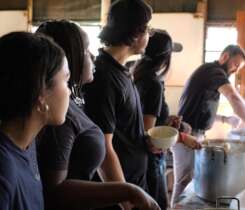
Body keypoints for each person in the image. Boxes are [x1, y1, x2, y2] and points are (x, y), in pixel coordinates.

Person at [36, 20, 160, 210]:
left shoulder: (76, 98)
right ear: (69, 57)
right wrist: (128, 193)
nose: (93, 56)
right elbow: (54, 191)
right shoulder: (60, 118)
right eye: (86, 50)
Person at [172, 44, 245, 206]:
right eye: (235, 64)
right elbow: (233, 97)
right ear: (225, 57)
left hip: (195, 133)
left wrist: (225, 119)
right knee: (184, 183)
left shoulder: (210, 75)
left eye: (239, 67)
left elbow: (202, 111)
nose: (236, 70)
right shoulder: (214, 72)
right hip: (186, 135)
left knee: (189, 182)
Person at [84, 0, 154, 194]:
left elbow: (123, 130)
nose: (149, 34)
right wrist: (127, 199)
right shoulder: (103, 76)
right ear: (135, 31)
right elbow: (103, 149)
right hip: (118, 192)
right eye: (148, 28)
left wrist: (145, 140)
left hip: (133, 184)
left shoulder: (122, 71)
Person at [0, 32, 70, 210]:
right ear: (41, 95)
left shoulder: (26, 144)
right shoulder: (4, 169)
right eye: (66, 81)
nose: (69, 92)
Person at [134, 29, 202, 209]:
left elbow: (142, 121)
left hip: (138, 160)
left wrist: (167, 122)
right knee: (157, 205)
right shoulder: (153, 84)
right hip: (150, 161)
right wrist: (183, 138)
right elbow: (149, 136)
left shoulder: (136, 75)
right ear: (165, 58)